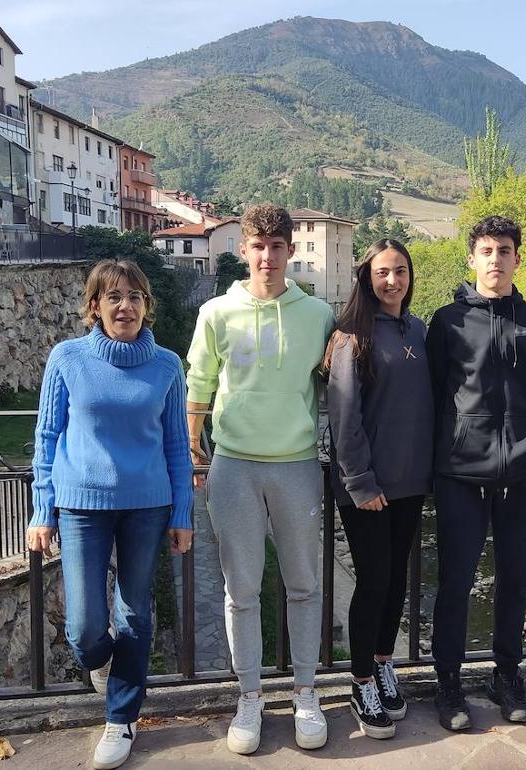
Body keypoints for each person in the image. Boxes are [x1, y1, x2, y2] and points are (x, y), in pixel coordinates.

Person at [27, 260, 194, 770]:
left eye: (136, 297)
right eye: (114, 296)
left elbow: (176, 446)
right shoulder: (67, 358)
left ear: (148, 305)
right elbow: (47, 435)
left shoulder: (167, 365)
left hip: (148, 505)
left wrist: (182, 512)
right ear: (94, 305)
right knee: (84, 628)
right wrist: (42, 509)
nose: (126, 306)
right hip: (81, 506)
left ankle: (120, 719)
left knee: (135, 614)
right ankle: (106, 669)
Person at [185, 204, 335, 755]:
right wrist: (194, 449)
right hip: (234, 465)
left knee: (304, 585)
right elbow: (198, 378)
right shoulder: (216, 313)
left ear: (290, 251)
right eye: (257, 246)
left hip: (296, 463)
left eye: (277, 246)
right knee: (240, 589)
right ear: (243, 250)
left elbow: (335, 384)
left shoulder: (317, 314)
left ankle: (304, 692)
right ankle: (248, 696)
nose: (267, 256)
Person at [427, 215, 526, 731]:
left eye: (504, 250)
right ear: (472, 258)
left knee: (513, 581)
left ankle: (506, 675)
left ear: (517, 258)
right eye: (486, 250)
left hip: (521, 471)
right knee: (456, 582)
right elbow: (435, 393)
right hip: (460, 471)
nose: (495, 259)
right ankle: (449, 683)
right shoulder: (447, 322)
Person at [323, 239, 433, 739]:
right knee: (372, 582)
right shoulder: (351, 337)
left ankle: (385, 663)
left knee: (394, 583)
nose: (393, 280)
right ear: (367, 277)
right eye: (384, 272)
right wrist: (360, 481)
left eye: (402, 271)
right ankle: (361, 679)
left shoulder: (418, 330)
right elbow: (344, 418)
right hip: (366, 486)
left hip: (411, 482)